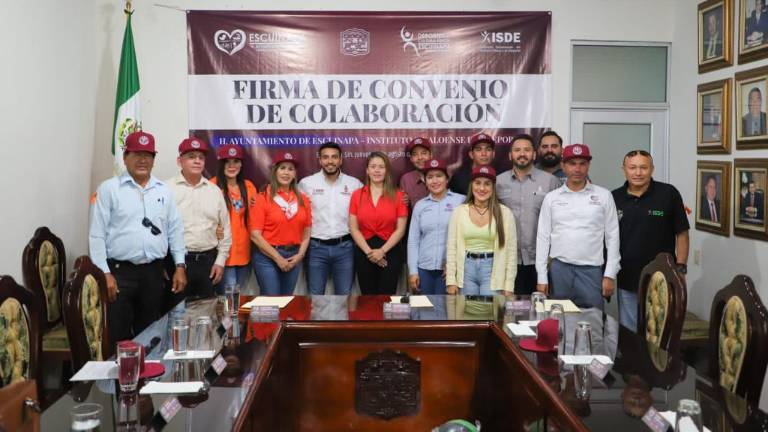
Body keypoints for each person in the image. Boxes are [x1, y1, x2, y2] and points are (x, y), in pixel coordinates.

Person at [89, 131, 187, 343]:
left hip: (153, 274)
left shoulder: (164, 190)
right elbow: (97, 235)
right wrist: (104, 273)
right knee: (119, 336)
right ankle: (120, 367)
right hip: (119, 274)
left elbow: (175, 230)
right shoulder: (109, 189)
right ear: (125, 157)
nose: (143, 160)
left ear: (153, 159)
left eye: (148, 155)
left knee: (152, 334)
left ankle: (149, 366)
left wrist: (180, 265)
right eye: (137, 154)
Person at [612, 150, 690, 332]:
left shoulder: (668, 194)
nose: (638, 173)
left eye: (643, 167)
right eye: (632, 167)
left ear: (652, 169)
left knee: (659, 332)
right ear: (624, 170)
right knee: (630, 331)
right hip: (627, 277)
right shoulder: (614, 197)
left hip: (662, 277)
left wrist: (681, 268)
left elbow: (682, 234)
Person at [536, 144, 620, 310]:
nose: (577, 169)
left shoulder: (604, 196)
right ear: (563, 166)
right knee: (559, 319)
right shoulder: (552, 198)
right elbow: (543, 238)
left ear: (588, 165)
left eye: (582, 163)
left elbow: (613, 236)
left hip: (591, 270)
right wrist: (542, 277)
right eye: (572, 164)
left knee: (593, 320)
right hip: (559, 270)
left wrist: (610, 274)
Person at [167, 137, 232, 299]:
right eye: (191, 157)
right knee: (176, 311)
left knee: (207, 311)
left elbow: (225, 228)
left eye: (201, 157)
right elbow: (159, 229)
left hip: (208, 263)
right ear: (179, 161)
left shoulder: (214, 191)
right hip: (176, 262)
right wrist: (161, 264)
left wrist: (220, 261)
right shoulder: (166, 189)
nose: (197, 161)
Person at [496, 134, 560, 295]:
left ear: (534, 154)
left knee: (540, 306)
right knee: (510, 307)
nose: (522, 154)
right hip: (509, 260)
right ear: (510, 155)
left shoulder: (551, 181)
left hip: (542, 261)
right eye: (517, 150)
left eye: (527, 150)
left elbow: (560, 221)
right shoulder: (498, 182)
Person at [299, 141, 362, 295]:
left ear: (341, 160)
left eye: (334, 157)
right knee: (315, 295)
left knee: (344, 295)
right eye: (325, 157)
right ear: (320, 160)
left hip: (345, 248)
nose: (330, 161)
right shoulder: (306, 184)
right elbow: (289, 202)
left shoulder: (354, 184)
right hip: (315, 248)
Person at [446, 165, 517, 295]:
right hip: (465, 270)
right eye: (477, 183)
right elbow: (452, 248)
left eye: (487, 184)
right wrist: (451, 281)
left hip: (493, 270)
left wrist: (509, 285)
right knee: (468, 308)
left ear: (493, 187)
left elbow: (511, 253)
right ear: (471, 185)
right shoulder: (459, 212)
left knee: (490, 308)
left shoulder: (505, 213)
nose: (482, 188)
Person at [250, 151, 312, 295]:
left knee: (286, 300)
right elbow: (255, 235)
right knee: (272, 300)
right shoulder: (262, 198)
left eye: (290, 169)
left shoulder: (303, 199)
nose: (286, 173)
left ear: (295, 174)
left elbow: (307, 230)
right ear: (275, 171)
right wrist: (278, 258)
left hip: (293, 256)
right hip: (267, 257)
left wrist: (300, 255)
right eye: (282, 168)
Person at [349, 152, 408, 295]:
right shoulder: (357, 195)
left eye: (381, 167)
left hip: (390, 251)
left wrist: (382, 251)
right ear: (367, 170)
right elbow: (353, 228)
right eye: (373, 166)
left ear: (387, 171)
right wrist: (370, 253)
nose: (377, 170)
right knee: (367, 298)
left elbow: (400, 229)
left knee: (386, 298)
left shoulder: (399, 195)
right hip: (364, 251)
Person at [407, 159, 465, 295]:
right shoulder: (420, 205)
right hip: (424, 269)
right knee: (425, 307)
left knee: (447, 307)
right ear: (425, 181)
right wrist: (413, 271)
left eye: (439, 176)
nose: (435, 181)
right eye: (430, 177)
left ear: (447, 179)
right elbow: (413, 240)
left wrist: (455, 265)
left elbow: (467, 237)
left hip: (450, 270)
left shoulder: (461, 201)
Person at [211, 144, 258, 293]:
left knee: (238, 296)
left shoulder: (249, 186)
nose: (232, 166)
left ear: (241, 164)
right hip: (224, 254)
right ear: (221, 163)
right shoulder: (212, 186)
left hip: (245, 253)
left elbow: (254, 217)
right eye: (227, 161)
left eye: (236, 161)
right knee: (228, 298)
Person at [399, 137, 432, 207]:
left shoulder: (442, 175)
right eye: (415, 154)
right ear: (411, 158)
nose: (420, 157)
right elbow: (402, 206)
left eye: (424, 153)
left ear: (430, 155)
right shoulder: (406, 179)